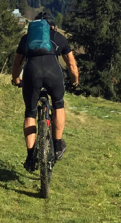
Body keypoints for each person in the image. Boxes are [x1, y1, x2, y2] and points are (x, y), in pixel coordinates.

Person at [11, 10, 79, 171]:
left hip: (31, 72)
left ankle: (30, 156)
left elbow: (17, 63)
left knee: (30, 112)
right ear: (52, 26)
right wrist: (75, 81)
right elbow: (71, 64)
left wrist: (16, 79)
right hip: (53, 72)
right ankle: (57, 144)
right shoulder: (58, 37)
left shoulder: (27, 38)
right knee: (58, 104)